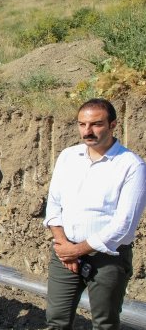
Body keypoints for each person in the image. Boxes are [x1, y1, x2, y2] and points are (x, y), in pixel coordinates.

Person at [43, 98, 146, 329]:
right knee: (56, 321)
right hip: (64, 253)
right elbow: (54, 205)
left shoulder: (131, 166)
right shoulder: (68, 157)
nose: (87, 131)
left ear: (113, 125)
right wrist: (64, 246)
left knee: (104, 323)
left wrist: (76, 250)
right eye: (82, 124)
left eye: (96, 124)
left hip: (107, 258)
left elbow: (124, 225)